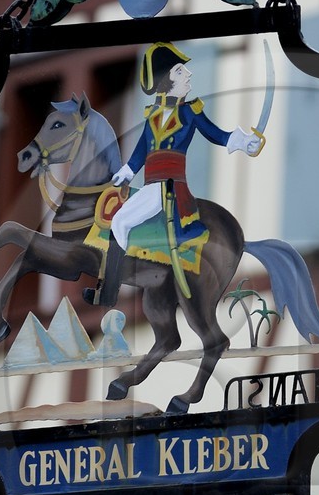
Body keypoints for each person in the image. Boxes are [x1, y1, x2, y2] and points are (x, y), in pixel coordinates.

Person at [95, 42, 260, 306]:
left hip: (170, 188)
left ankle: (110, 291)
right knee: (118, 221)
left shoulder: (190, 111)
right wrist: (127, 171)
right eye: (181, 71)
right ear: (167, 78)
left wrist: (243, 141)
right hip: (151, 186)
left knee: (121, 222)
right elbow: (141, 150)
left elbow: (216, 134)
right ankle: (112, 288)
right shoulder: (152, 115)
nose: (189, 74)